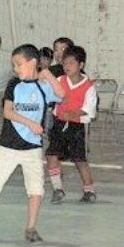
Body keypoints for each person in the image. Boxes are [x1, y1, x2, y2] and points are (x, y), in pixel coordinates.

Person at [0, 44, 66, 243]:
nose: (15, 69)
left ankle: (31, 228)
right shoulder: (13, 85)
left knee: (36, 189)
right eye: (13, 65)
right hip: (7, 145)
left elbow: (61, 94)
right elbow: (8, 112)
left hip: (32, 149)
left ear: (33, 63)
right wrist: (30, 123)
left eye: (19, 64)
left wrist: (48, 75)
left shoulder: (43, 86)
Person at [46, 45, 98, 204]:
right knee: (51, 155)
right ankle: (57, 189)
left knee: (79, 160)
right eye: (65, 63)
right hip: (59, 124)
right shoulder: (60, 80)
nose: (66, 66)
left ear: (81, 65)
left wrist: (73, 114)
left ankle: (89, 190)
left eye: (71, 63)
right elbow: (50, 97)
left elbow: (89, 109)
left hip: (76, 127)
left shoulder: (89, 86)